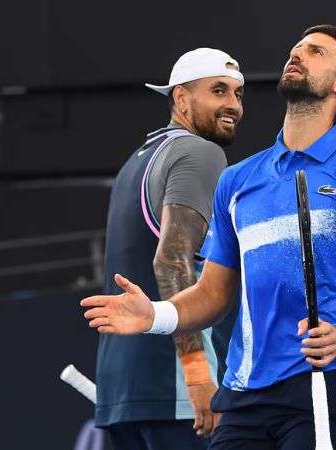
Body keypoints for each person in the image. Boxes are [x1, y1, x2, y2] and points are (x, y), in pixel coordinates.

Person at [83, 25, 336, 450]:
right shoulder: (237, 180)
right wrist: (157, 316)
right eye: (295, 49)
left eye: (314, 52)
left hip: (320, 384)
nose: (296, 55)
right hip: (242, 392)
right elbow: (214, 293)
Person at [94, 48, 244, 449]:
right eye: (218, 90)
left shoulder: (136, 161)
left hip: (124, 392)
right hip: (180, 395)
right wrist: (196, 375)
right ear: (181, 98)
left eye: (237, 94)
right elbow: (171, 259)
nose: (233, 104)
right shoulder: (200, 152)